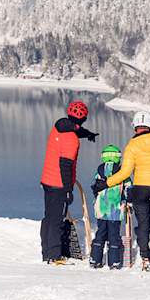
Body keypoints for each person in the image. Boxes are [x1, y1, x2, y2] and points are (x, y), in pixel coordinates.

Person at [94, 111, 150, 272]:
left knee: (143, 225)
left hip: (140, 189)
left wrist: (106, 183)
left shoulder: (132, 146)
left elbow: (125, 173)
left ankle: (146, 260)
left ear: (135, 127)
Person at [39, 100, 99, 264]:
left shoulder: (58, 128)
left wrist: (87, 134)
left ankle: (47, 252)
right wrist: (68, 190)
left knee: (49, 217)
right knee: (57, 219)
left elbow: (73, 129)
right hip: (59, 184)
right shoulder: (72, 139)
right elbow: (66, 165)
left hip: (47, 180)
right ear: (84, 118)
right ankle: (55, 256)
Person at [89, 144, 131, 269]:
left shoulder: (99, 172)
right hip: (116, 210)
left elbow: (94, 187)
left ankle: (95, 260)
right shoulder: (123, 172)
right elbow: (129, 189)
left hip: (101, 209)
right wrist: (128, 201)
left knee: (100, 233)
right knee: (114, 235)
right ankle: (114, 262)